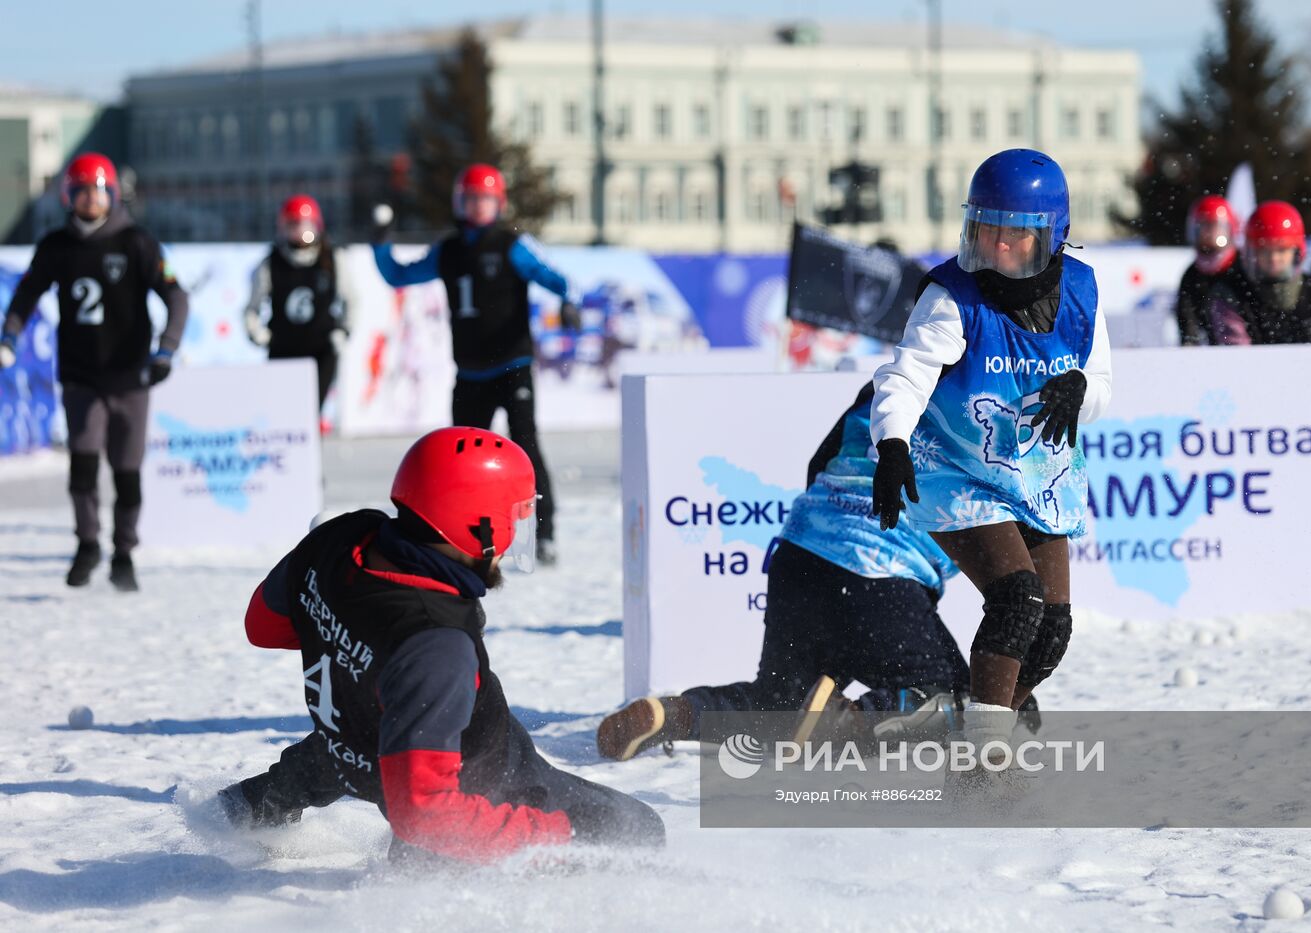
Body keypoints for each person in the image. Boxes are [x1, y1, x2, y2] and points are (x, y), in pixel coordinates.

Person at [216, 427, 663, 862]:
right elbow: (424, 814)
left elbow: (263, 625)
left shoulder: (340, 536)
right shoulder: (435, 644)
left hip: (347, 747)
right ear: (481, 527)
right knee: (640, 831)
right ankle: (418, 875)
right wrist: (550, 836)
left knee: (345, 757)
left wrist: (357, 645)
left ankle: (231, 813)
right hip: (470, 779)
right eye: (514, 517)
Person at [868, 148, 1112, 757]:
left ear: (1050, 237)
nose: (996, 247)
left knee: (1051, 633)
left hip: (1035, 475)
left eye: (1013, 235)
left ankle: (972, 723)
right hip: (954, 469)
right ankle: (983, 760)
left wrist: (1080, 390)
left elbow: (1101, 385)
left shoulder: (1081, 290)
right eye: (985, 230)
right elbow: (905, 376)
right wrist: (892, 441)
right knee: (1016, 598)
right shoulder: (953, 296)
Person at [596, 381, 972, 761]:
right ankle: (848, 724)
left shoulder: (891, 381)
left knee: (780, 705)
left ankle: (676, 715)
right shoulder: (994, 392)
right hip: (880, 571)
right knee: (961, 700)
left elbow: (818, 462)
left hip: (802, 554)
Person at [372, 164, 581, 567]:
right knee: (460, 463)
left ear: (498, 203)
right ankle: (459, 535)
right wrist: (381, 244)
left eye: (484, 199)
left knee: (525, 446)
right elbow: (399, 275)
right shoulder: (448, 250)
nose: (477, 207)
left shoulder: (510, 245)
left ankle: (545, 531)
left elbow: (554, 277)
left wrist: (567, 301)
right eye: (470, 199)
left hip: (512, 364)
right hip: (469, 372)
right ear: (459, 202)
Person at [0, 152, 188, 592]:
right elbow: (26, 294)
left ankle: (124, 552)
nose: (90, 199)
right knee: (82, 464)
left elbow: (176, 296)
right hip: (81, 376)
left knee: (127, 470)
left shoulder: (137, 242)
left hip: (130, 376)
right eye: (81, 190)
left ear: (112, 194)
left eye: (97, 190)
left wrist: (166, 350)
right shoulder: (57, 246)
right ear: (69, 195)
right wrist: (10, 336)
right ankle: (87, 544)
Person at [243, 195, 356, 416]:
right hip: (283, 350)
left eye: (304, 225)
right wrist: (259, 334)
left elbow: (352, 299)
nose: (299, 232)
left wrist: (343, 331)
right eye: (292, 225)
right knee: (285, 414)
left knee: (311, 411)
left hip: (321, 351)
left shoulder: (332, 259)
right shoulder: (270, 264)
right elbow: (251, 309)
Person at [1210, 201, 1311, 345]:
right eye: (1265, 250)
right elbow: (1237, 358)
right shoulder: (1231, 295)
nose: (1274, 258)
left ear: (1297, 250)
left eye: (1282, 249)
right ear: (1252, 252)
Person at [1175, 195, 1240, 346]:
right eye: (1203, 227)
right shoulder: (1191, 277)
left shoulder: (1241, 269)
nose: (1209, 234)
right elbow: (1188, 329)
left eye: (1215, 227)